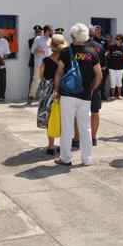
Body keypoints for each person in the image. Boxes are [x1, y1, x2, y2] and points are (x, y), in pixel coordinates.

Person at [53, 23, 102, 166]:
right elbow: (99, 75)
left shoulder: (65, 52)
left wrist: (56, 89)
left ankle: (65, 158)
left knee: (67, 127)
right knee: (85, 128)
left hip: (67, 95)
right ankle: (87, 159)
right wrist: (91, 89)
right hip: (85, 96)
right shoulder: (92, 53)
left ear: (73, 36)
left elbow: (59, 73)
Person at [38, 34, 67, 154]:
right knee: (64, 117)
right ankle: (63, 145)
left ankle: (50, 146)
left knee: (50, 117)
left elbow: (41, 75)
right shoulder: (66, 60)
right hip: (64, 90)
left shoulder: (46, 60)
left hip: (48, 91)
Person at [29, 25, 53, 103]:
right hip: (39, 63)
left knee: (47, 82)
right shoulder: (38, 39)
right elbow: (32, 50)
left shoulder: (51, 40)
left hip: (48, 64)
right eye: (50, 30)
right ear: (46, 31)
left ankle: (44, 98)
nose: (52, 32)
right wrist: (37, 50)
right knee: (36, 80)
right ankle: (31, 97)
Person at [106, 34, 123, 100]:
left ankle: (119, 95)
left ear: (121, 40)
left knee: (119, 81)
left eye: (118, 39)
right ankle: (112, 95)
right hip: (112, 67)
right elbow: (107, 55)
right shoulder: (111, 47)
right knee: (112, 81)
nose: (116, 40)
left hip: (120, 67)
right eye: (116, 38)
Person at [92, 25, 109, 101]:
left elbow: (107, 50)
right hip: (94, 62)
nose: (97, 31)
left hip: (102, 62)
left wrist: (105, 54)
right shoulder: (92, 40)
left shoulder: (104, 40)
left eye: (99, 29)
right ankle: (94, 94)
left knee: (103, 80)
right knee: (94, 79)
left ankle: (103, 95)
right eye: (96, 30)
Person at [28, 25, 42, 98]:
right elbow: (33, 50)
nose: (38, 33)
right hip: (33, 62)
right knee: (32, 79)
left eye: (39, 32)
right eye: (36, 32)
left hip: (41, 63)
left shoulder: (44, 40)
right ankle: (30, 96)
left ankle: (40, 96)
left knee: (41, 80)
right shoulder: (31, 40)